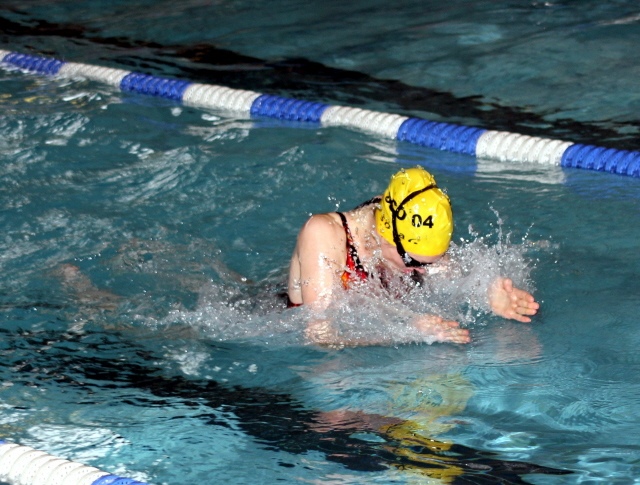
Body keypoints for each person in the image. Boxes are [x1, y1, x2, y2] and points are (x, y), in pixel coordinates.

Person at [287, 166, 539, 345]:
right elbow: (320, 337)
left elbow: (453, 277)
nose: (421, 270)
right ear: (383, 235)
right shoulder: (325, 234)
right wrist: (406, 334)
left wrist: (486, 294)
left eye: (431, 261)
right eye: (413, 261)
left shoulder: (402, 232)